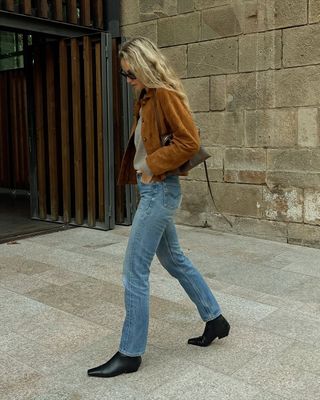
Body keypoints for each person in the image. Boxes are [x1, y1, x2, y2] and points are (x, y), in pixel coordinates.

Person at [87, 37, 230, 378]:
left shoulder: (164, 94)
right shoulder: (147, 97)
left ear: (144, 65)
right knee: (174, 259)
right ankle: (216, 319)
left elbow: (189, 141)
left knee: (134, 270)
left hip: (160, 191)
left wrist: (152, 164)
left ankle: (130, 353)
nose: (127, 80)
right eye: (124, 75)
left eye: (129, 73)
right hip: (153, 190)